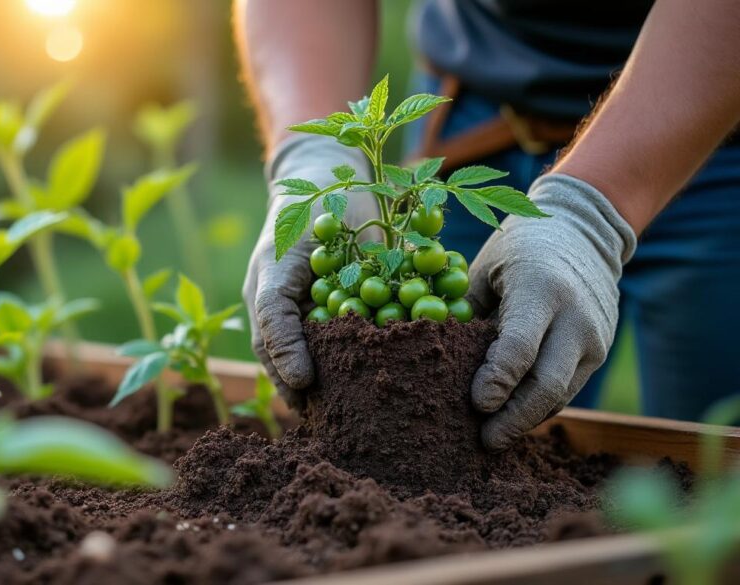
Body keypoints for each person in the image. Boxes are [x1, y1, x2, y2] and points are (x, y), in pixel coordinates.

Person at [236, 0, 740, 451]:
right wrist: (313, 153)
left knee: (710, 465)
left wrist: (591, 214)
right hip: (473, 112)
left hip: (711, 117)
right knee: (457, 422)